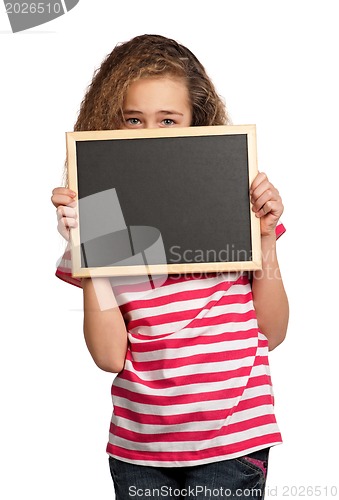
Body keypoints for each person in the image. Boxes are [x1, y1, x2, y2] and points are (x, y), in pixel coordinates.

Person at [51, 34, 289, 500]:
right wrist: (89, 248)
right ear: (111, 124)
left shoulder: (232, 198)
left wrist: (265, 237)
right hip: (140, 449)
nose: (149, 133)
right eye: (134, 119)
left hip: (233, 439)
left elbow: (273, 331)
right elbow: (107, 357)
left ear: (194, 122)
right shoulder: (99, 217)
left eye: (168, 119)